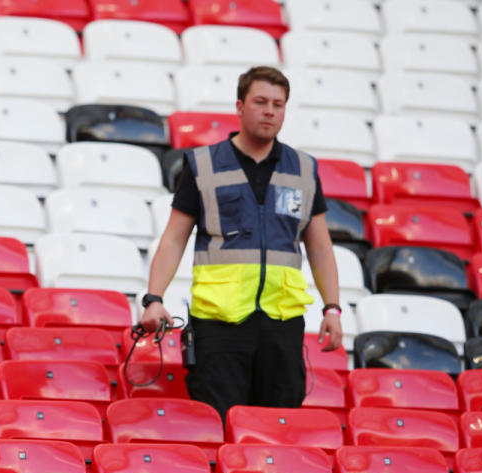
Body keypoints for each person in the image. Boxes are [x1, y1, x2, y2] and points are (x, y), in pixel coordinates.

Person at [140, 65, 342, 421]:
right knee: (220, 425)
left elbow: (321, 247)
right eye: (260, 101)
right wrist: (154, 298)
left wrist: (332, 308)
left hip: (282, 324)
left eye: (278, 104)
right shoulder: (203, 165)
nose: (270, 111)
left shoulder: (304, 170)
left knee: (278, 429)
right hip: (220, 325)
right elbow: (174, 237)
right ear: (239, 106)